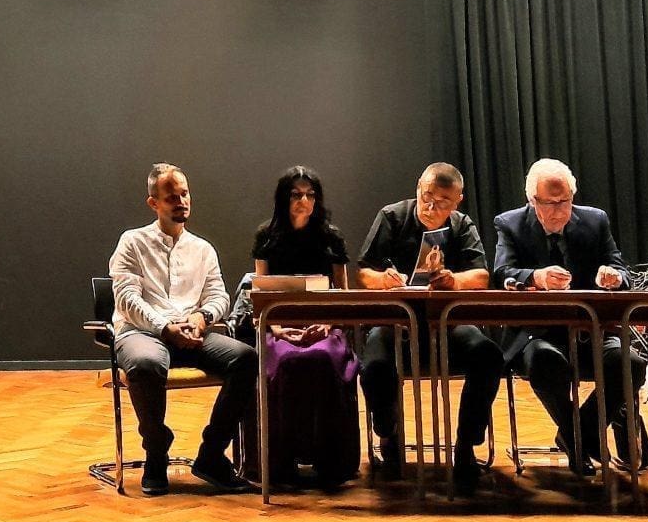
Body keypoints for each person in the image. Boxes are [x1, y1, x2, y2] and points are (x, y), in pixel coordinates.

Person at [109, 163, 257, 496]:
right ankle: (156, 453)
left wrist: (203, 317)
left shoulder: (202, 249)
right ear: (153, 203)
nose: (181, 202)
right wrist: (164, 327)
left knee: (246, 358)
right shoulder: (132, 242)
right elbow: (127, 299)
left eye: (185, 194)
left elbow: (218, 295)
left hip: (192, 332)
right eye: (171, 197)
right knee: (146, 363)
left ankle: (211, 455)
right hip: (142, 333)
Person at [356, 162, 503, 493]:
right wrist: (383, 280)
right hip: (394, 323)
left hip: (447, 324)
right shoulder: (392, 216)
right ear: (418, 188)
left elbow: (481, 275)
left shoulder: (461, 225)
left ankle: (466, 443)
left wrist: (454, 281)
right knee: (375, 366)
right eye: (427, 197)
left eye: (443, 202)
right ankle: (388, 431)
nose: (432, 206)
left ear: (458, 201)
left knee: (488, 355)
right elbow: (363, 272)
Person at [493, 158, 646, 474]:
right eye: (549, 203)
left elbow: (621, 269)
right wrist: (536, 277)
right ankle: (581, 440)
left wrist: (613, 276)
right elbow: (502, 272)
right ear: (532, 200)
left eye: (565, 201)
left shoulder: (595, 220)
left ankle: (578, 436)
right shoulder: (510, 224)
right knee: (546, 362)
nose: (559, 210)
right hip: (536, 334)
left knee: (630, 363)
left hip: (592, 330)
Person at [244, 166, 359, 485]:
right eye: (296, 194)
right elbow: (261, 294)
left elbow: (343, 295)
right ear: (284, 198)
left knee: (323, 357)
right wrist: (277, 329)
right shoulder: (266, 236)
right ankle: (282, 462)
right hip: (278, 325)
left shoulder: (331, 237)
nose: (303, 201)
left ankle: (329, 461)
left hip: (325, 325)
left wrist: (327, 323)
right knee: (285, 360)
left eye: (310, 195)